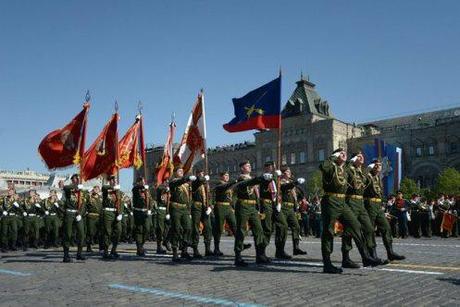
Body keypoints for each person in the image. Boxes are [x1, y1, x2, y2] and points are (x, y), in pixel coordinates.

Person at [319, 148, 380, 274]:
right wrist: (332, 157)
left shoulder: (345, 169)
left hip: (342, 203)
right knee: (329, 232)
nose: (344, 155)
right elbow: (322, 166)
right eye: (341, 153)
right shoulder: (331, 167)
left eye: (345, 153)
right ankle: (327, 264)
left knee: (355, 225)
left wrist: (353, 162)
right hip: (331, 200)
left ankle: (366, 257)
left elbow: (355, 173)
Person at [341, 152, 385, 268]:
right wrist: (349, 162)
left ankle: (372, 256)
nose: (362, 158)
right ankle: (346, 258)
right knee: (349, 231)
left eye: (362, 156)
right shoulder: (349, 170)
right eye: (358, 157)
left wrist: (370, 171)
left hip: (361, 203)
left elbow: (368, 183)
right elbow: (343, 177)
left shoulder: (362, 172)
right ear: (353, 159)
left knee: (369, 228)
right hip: (350, 202)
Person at [364, 159, 405, 262]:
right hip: (369, 205)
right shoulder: (367, 177)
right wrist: (367, 172)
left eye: (379, 165)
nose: (378, 167)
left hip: (378, 206)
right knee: (370, 230)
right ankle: (372, 255)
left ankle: (390, 252)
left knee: (386, 227)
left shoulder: (378, 178)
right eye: (376, 165)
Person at [233, 160, 271, 267]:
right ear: (242, 168)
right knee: (241, 230)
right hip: (243, 206)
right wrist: (260, 178)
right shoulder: (240, 178)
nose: (250, 167)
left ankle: (260, 255)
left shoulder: (252, 179)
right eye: (247, 166)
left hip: (253, 207)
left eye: (250, 165)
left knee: (258, 230)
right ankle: (238, 257)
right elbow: (248, 183)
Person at [275, 166, 307, 259]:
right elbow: (285, 187)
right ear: (283, 173)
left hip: (291, 208)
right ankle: (279, 251)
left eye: (289, 172)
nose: (289, 173)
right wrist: (295, 182)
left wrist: (302, 198)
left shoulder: (291, 183)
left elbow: (300, 193)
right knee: (282, 228)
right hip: (283, 207)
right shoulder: (279, 182)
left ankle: (296, 247)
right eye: (287, 172)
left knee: (296, 226)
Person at [168, 164, 196, 262]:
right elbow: (178, 182)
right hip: (175, 207)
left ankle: (184, 248)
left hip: (185, 208)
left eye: (182, 171)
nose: (181, 172)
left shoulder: (186, 185)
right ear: (175, 173)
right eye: (179, 171)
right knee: (176, 229)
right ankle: (175, 253)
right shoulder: (173, 182)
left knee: (188, 227)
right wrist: (187, 178)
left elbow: (189, 197)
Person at [62, 174, 86, 262]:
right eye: (75, 180)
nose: (77, 181)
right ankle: (66, 255)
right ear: (72, 180)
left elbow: (83, 204)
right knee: (67, 234)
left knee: (81, 234)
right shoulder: (69, 189)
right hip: (69, 213)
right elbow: (65, 187)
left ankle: (79, 254)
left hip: (78, 214)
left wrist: (80, 213)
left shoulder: (83, 191)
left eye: (78, 179)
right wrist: (75, 186)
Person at [190, 169, 212, 258]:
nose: (202, 175)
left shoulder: (206, 185)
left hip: (205, 207)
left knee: (208, 227)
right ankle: (195, 250)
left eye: (203, 174)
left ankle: (208, 249)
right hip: (196, 206)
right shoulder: (195, 183)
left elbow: (209, 196)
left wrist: (209, 205)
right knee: (196, 228)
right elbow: (198, 181)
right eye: (200, 174)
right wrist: (203, 179)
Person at [101, 175, 123, 259]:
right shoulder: (106, 189)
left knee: (119, 231)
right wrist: (113, 187)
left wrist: (120, 213)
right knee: (107, 232)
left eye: (115, 181)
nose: (114, 182)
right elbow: (104, 187)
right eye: (113, 180)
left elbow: (120, 203)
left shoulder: (118, 192)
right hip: (108, 212)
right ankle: (106, 251)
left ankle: (113, 250)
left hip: (116, 213)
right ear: (110, 181)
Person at [259, 161, 280, 245]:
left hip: (274, 203)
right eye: (272, 167)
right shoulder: (265, 176)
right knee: (267, 227)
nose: (273, 168)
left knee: (280, 225)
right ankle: (262, 247)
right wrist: (275, 174)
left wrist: (278, 201)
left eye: (274, 167)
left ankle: (279, 249)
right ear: (267, 168)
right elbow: (271, 179)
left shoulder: (274, 175)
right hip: (266, 203)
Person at [132, 177, 154, 256]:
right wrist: (142, 187)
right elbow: (137, 188)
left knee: (147, 229)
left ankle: (141, 245)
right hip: (138, 212)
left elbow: (150, 200)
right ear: (138, 182)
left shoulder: (147, 190)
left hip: (145, 212)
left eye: (144, 181)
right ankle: (139, 248)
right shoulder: (135, 189)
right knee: (139, 230)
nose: (143, 183)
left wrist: (150, 209)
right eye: (142, 182)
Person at [155, 182, 171, 254]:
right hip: (161, 210)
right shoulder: (160, 188)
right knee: (160, 229)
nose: (166, 181)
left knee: (169, 227)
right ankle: (159, 247)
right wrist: (165, 189)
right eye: (165, 180)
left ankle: (166, 241)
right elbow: (160, 189)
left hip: (168, 211)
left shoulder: (168, 187)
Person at [85, 186, 102, 252]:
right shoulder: (89, 197)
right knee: (90, 232)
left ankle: (101, 247)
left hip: (99, 217)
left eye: (97, 189)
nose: (96, 190)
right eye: (95, 189)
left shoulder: (100, 198)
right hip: (91, 216)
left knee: (100, 233)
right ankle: (88, 246)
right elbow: (85, 204)